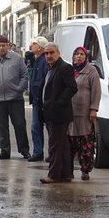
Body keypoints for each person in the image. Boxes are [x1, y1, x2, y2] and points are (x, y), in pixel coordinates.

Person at [0, 35, 30, 160]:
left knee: (19, 125)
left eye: (4, 45)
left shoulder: (18, 59)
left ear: (8, 46)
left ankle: (24, 150)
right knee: (1, 126)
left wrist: (19, 89)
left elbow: (25, 75)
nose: (2, 48)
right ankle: (4, 150)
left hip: (15, 99)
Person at [40, 43, 78, 183]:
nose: (49, 56)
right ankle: (66, 174)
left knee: (55, 145)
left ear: (58, 53)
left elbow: (72, 88)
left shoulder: (65, 67)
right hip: (50, 113)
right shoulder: (50, 68)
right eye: (46, 53)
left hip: (59, 114)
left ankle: (54, 175)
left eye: (51, 53)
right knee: (62, 145)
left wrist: (59, 103)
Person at [69, 46, 102, 181]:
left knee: (85, 145)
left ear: (86, 56)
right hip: (70, 114)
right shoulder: (70, 71)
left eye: (81, 54)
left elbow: (96, 91)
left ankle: (85, 171)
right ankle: (68, 170)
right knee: (70, 144)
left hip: (85, 114)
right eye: (76, 54)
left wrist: (93, 109)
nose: (78, 57)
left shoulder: (91, 71)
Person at [28, 36, 49, 162]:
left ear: (40, 47)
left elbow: (42, 81)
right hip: (37, 100)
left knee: (43, 127)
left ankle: (42, 152)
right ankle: (38, 152)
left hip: (42, 100)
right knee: (36, 127)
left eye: (34, 44)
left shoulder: (44, 61)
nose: (31, 46)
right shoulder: (36, 60)